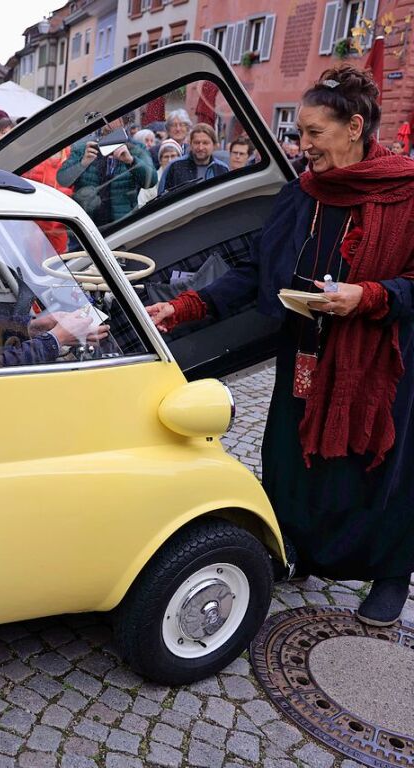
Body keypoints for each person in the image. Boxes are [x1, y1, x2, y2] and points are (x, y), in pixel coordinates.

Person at [146, 65, 414, 626]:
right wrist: (187, 305)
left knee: (375, 464)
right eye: (301, 133)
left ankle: (390, 572)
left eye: (314, 132)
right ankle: (302, 548)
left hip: (379, 362)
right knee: (293, 458)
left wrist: (365, 297)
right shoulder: (303, 195)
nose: (303, 144)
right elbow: (256, 272)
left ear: (354, 127)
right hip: (307, 352)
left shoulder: (406, 193)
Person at [56, 121, 156, 226]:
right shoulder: (83, 146)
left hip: (122, 222)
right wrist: (83, 163)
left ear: (123, 120)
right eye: (103, 117)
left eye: (115, 115)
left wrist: (131, 161)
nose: (108, 121)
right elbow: (62, 180)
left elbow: (151, 182)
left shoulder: (136, 147)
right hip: (87, 222)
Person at [158, 123, 229, 195]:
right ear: (190, 144)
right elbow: (162, 196)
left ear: (214, 145)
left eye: (205, 143)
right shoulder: (175, 167)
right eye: (197, 143)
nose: (200, 147)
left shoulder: (222, 169)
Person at [138, 138, 183, 206]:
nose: (170, 160)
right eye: (166, 157)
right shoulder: (152, 180)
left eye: (173, 156)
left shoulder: (185, 175)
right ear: (160, 160)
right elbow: (141, 204)